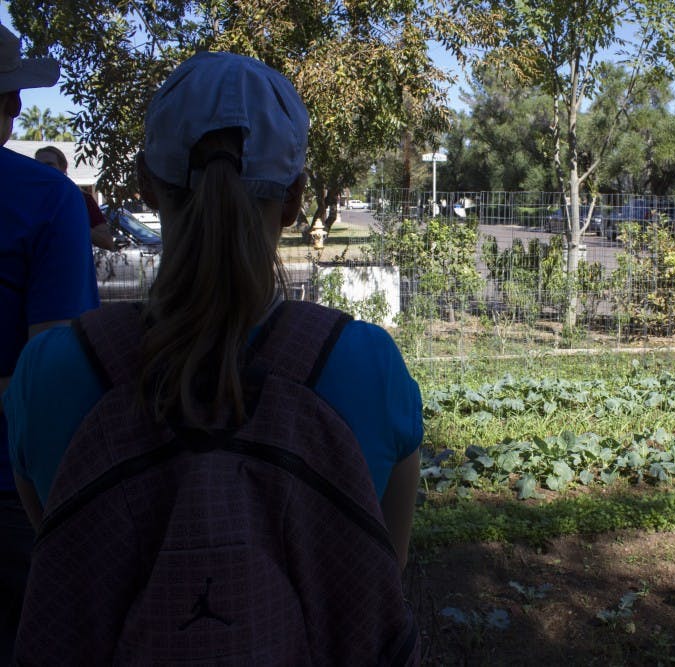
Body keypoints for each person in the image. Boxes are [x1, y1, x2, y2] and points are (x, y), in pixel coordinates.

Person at [5, 52, 422, 661]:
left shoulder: (47, 374)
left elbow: (62, 551)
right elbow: (385, 567)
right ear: (295, 198)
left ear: (146, 182)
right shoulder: (367, 365)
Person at [0, 23, 99, 663]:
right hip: (12, 498)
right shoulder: (44, 199)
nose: (14, 107)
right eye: (8, 92)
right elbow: (53, 381)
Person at [34, 145, 116, 250]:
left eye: (50, 164)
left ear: (63, 167)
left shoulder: (81, 198)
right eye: (38, 165)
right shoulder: (29, 200)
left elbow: (107, 242)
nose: (44, 169)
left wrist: (75, 223)